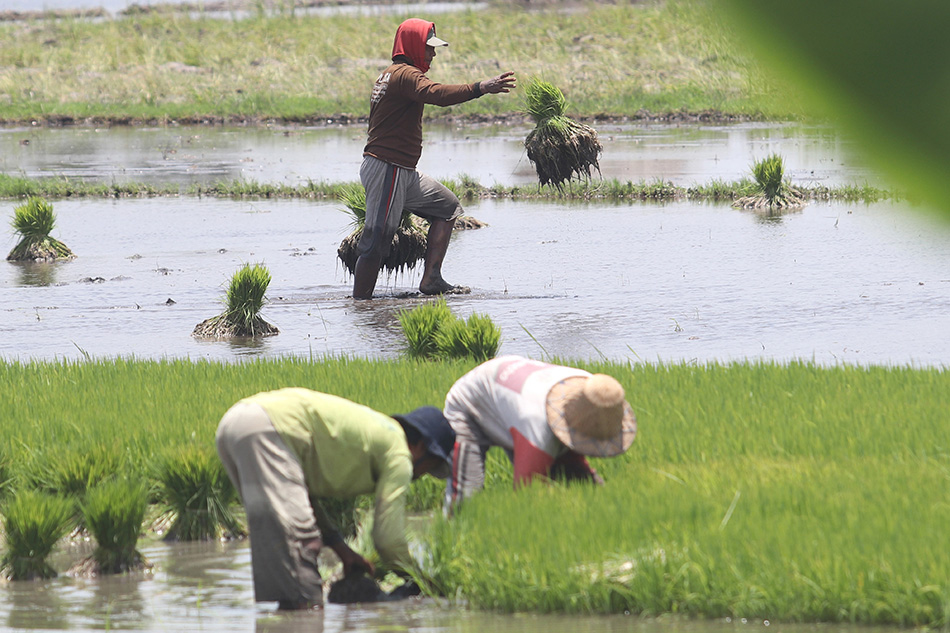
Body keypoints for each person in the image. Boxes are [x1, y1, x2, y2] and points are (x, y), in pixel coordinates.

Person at [215, 388, 455, 610]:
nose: (421, 476)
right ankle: (303, 618)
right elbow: (388, 540)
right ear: (421, 446)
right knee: (300, 546)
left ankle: (289, 618)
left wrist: (342, 550)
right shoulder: (400, 453)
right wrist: (423, 582)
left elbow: (304, 498)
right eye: (429, 467)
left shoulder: (381, 431)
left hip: (235, 424)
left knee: (281, 541)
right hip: (269, 428)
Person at [354, 18, 517, 299]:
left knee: (447, 207)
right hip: (387, 167)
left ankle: (431, 279)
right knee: (378, 237)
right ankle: (361, 304)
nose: (433, 54)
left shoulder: (394, 75)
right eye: (429, 47)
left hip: (402, 170)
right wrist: (481, 87)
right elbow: (436, 94)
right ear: (414, 45)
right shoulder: (405, 74)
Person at [442, 355, 637, 513]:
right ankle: (451, 543)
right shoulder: (538, 429)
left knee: (579, 481)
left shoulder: (595, 391)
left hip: (516, 395)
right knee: (467, 498)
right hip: (471, 404)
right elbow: (526, 499)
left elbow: (574, 464)